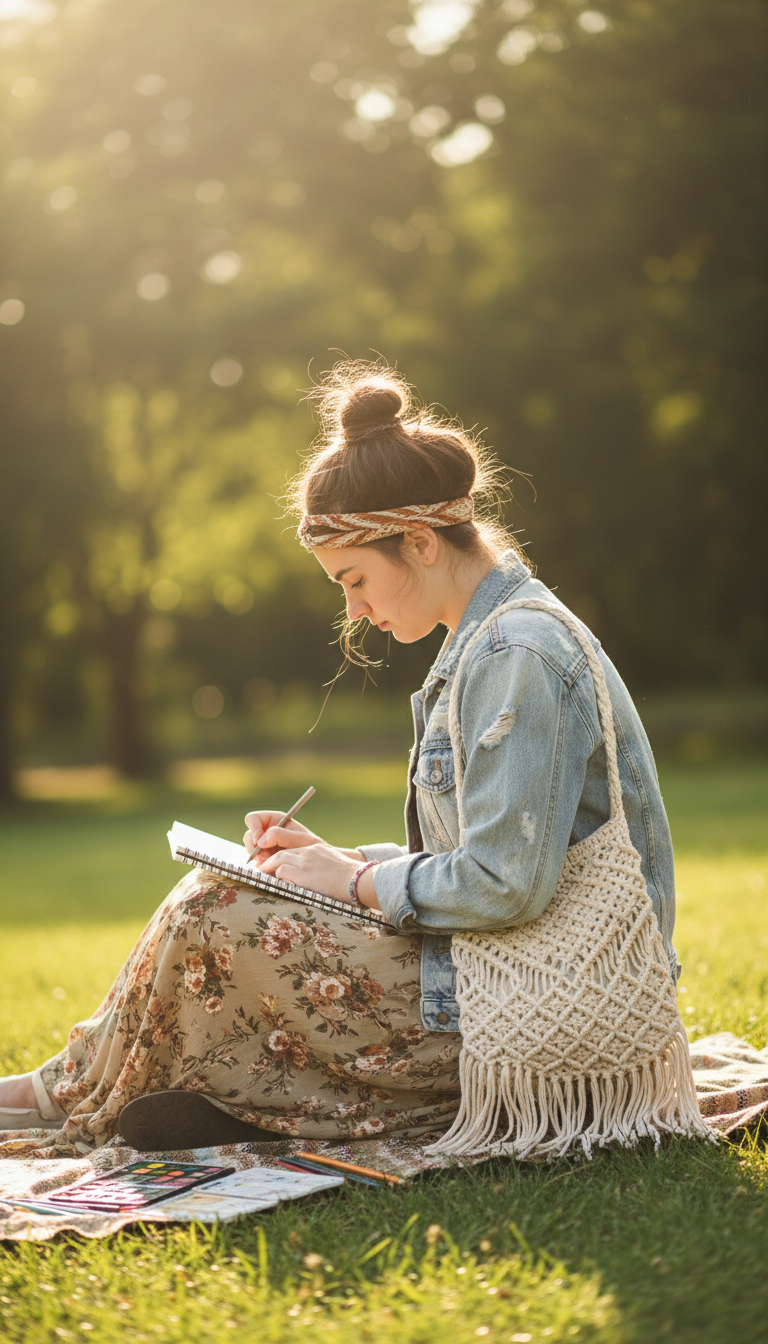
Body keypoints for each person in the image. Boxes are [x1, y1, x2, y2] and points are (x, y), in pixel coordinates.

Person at [0, 362, 679, 1157]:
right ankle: (121, 1092)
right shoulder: (485, 643)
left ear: (419, 543)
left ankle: (99, 1100)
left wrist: (352, 883)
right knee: (217, 897)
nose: (353, 609)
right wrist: (342, 862)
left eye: (354, 579)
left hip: (545, 997)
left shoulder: (515, 652)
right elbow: (483, 861)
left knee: (215, 916)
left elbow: (504, 883)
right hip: (493, 964)